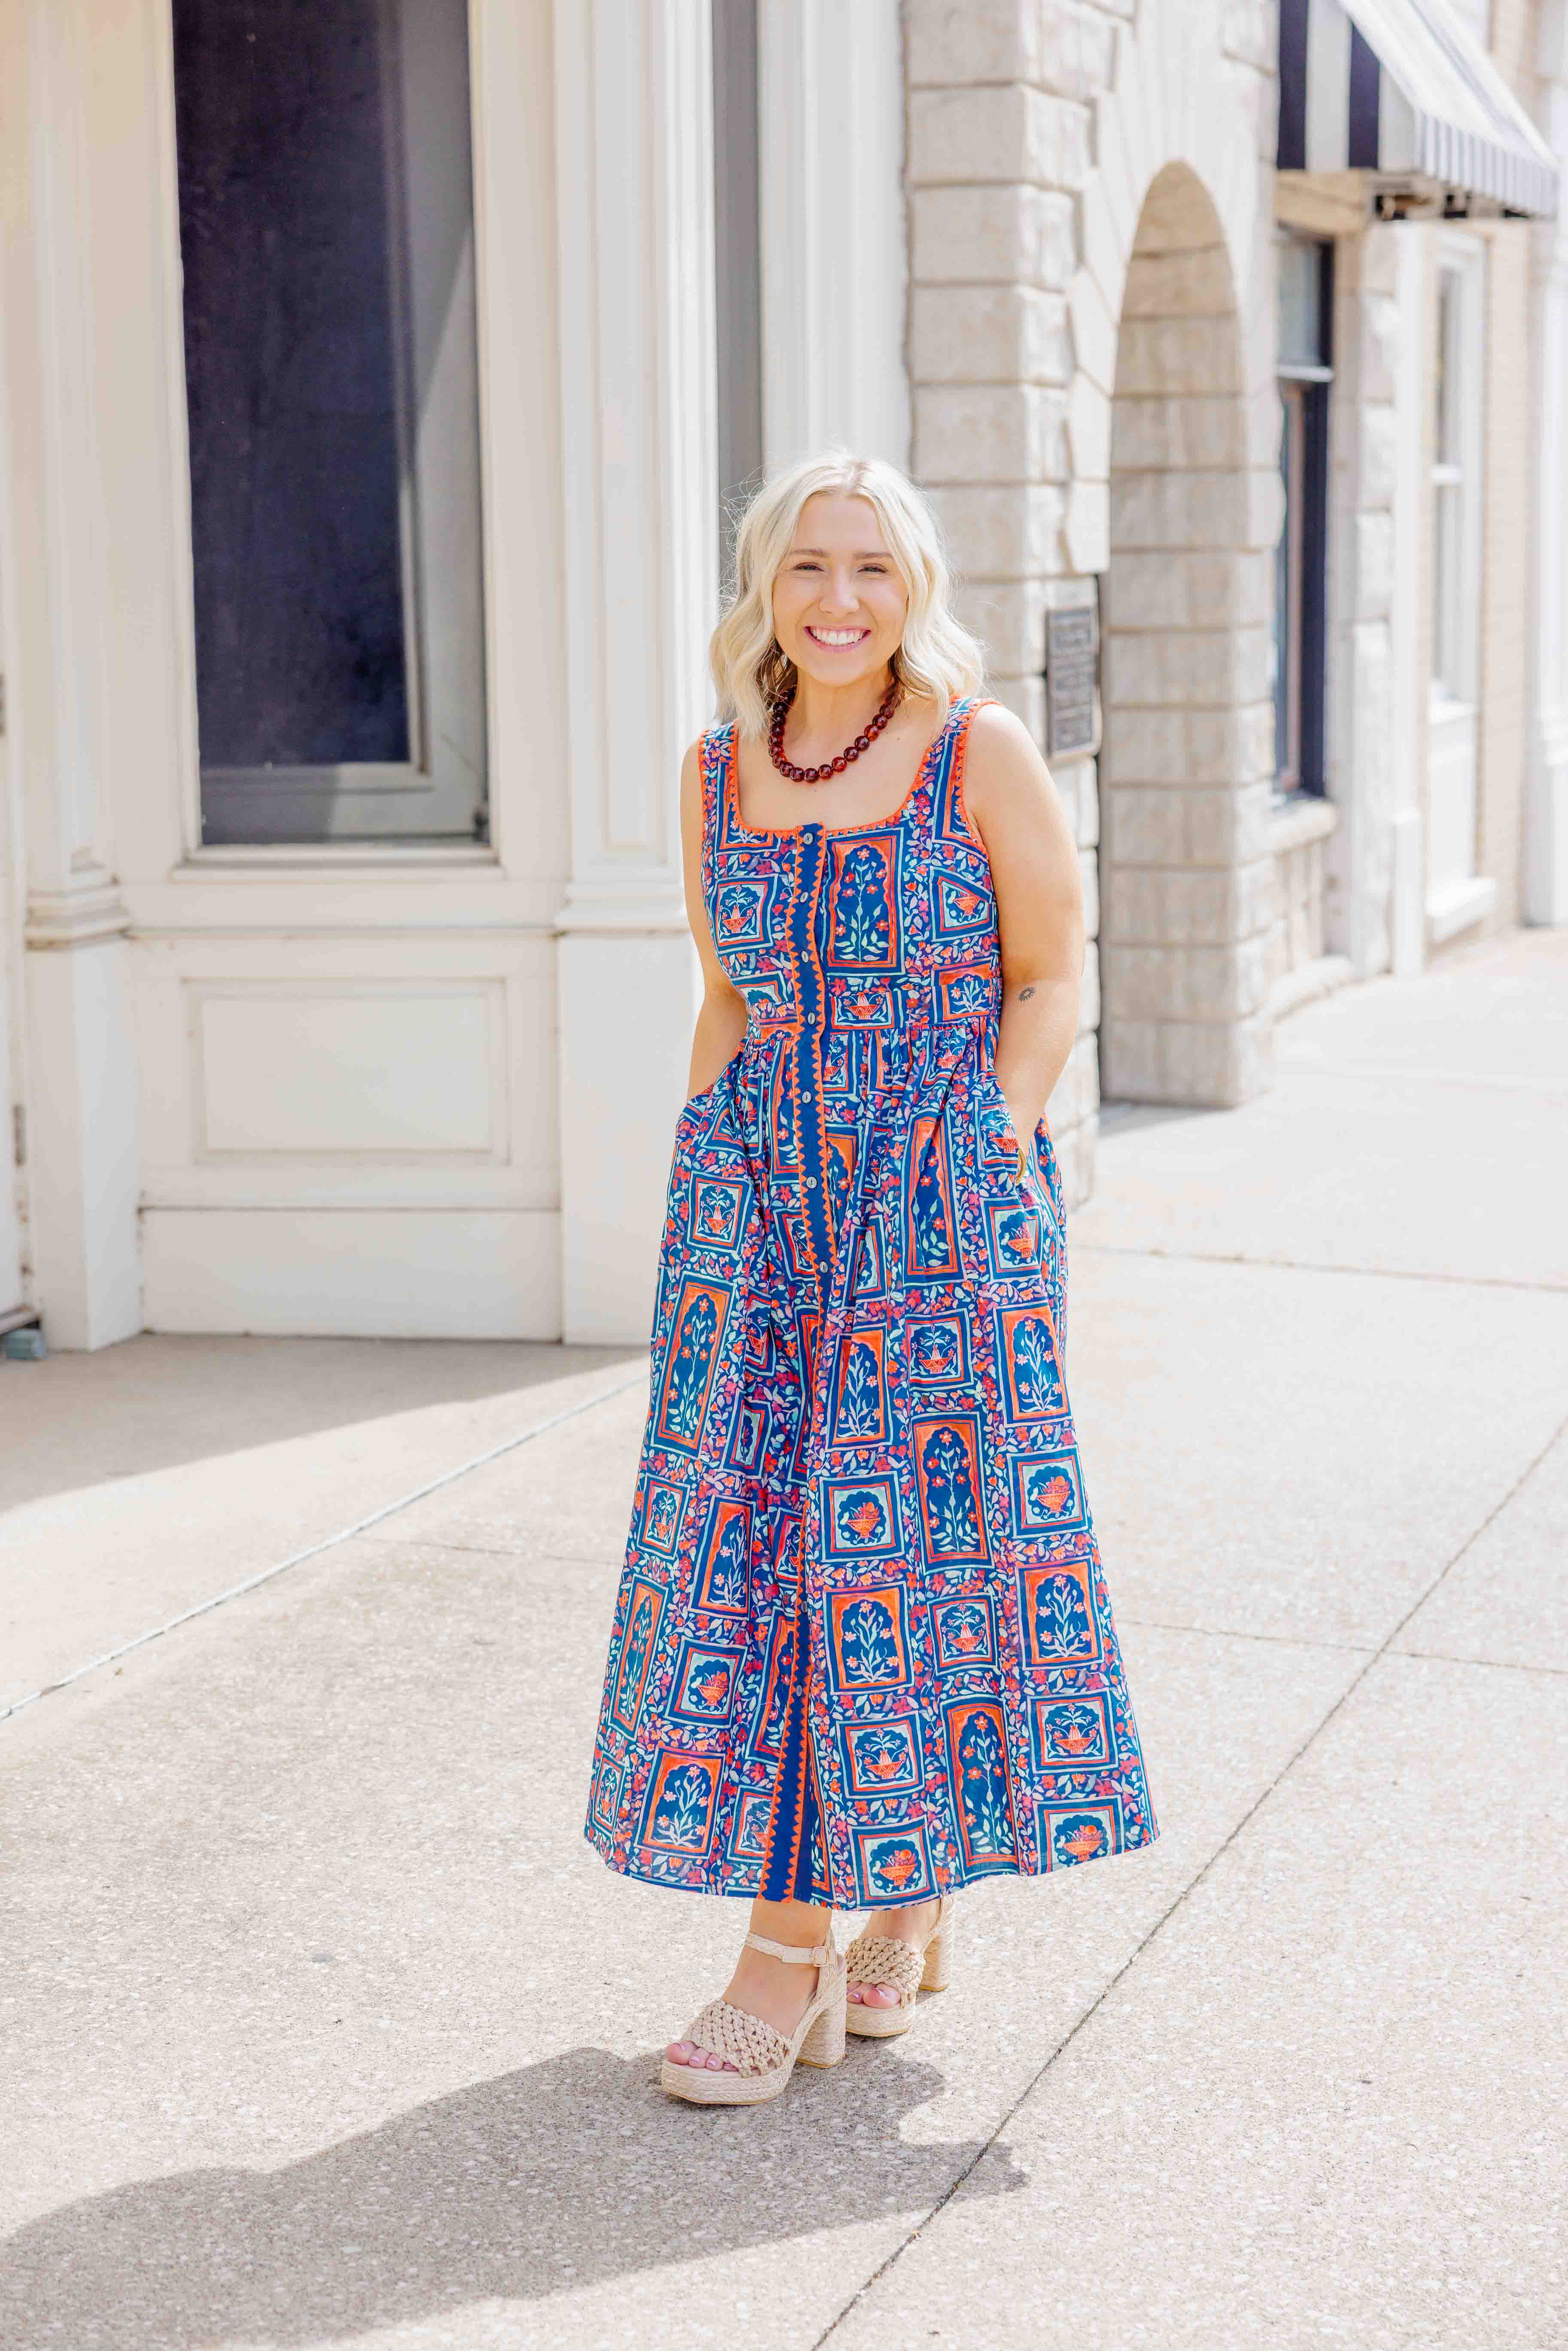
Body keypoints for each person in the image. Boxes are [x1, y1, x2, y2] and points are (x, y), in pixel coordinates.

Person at [584, 451, 1157, 2106]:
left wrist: (978, 1151)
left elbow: (1049, 974)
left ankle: (801, 1950)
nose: (840, 601)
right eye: (808, 567)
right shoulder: (714, 772)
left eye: (873, 570)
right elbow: (728, 992)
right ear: (762, 586)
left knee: (903, 1561)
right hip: (760, 1213)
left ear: (915, 590)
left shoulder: (976, 748)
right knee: (757, 1560)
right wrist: (703, 1180)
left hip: (940, 1211)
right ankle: (879, 1910)